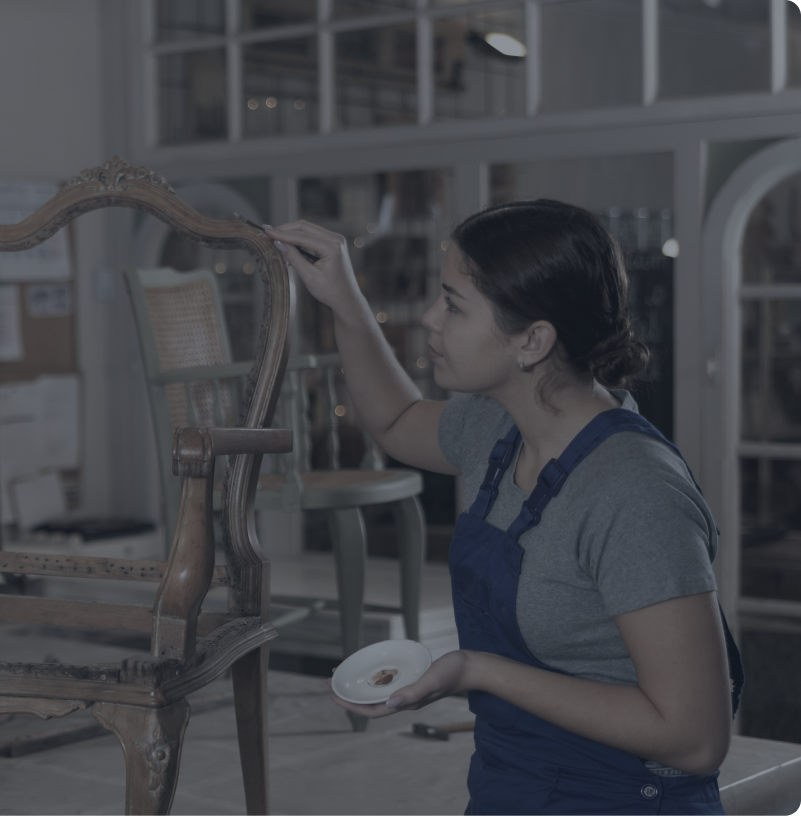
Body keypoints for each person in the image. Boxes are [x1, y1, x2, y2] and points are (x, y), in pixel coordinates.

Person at [266, 200, 743, 814]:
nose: (429, 318)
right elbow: (395, 419)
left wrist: (478, 671)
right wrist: (343, 298)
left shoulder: (634, 492)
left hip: (620, 799)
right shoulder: (497, 426)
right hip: (513, 784)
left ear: (533, 340)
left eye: (454, 305)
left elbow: (696, 740)